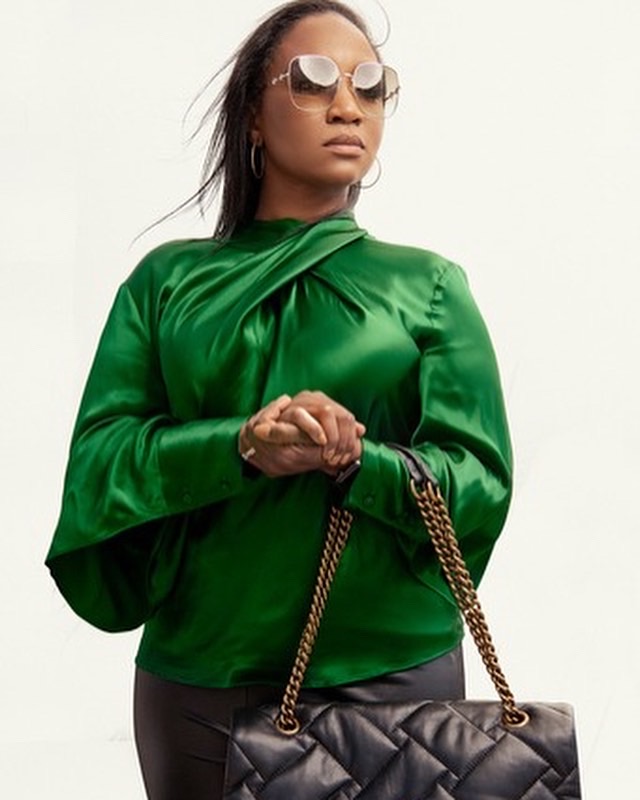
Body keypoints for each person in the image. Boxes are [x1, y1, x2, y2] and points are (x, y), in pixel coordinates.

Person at [46, 2, 512, 798]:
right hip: (202, 683)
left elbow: (481, 482)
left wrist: (358, 462)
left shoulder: (428, 285)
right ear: (253, 116)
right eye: (314, 79)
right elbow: (101, 466)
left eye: (370, 85)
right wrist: (241, 447)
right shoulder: (167, 284)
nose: (348, 105)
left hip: (390, 678)